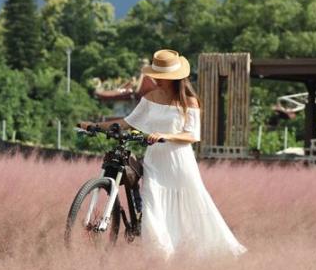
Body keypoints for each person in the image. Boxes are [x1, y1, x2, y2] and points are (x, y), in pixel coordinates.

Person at [79, 49, 247, 259]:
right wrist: (93, 126)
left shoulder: (189, 102)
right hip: (155, 162)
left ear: (174, 78)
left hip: (180, 163)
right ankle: (161, 256)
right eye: (155, 75)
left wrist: (165, 135)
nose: (156, 79)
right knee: (153, 205)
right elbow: (126, 122)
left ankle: (193, 252)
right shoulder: (149, 98)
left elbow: (192, 136)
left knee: (190, 207)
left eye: (161, 76)